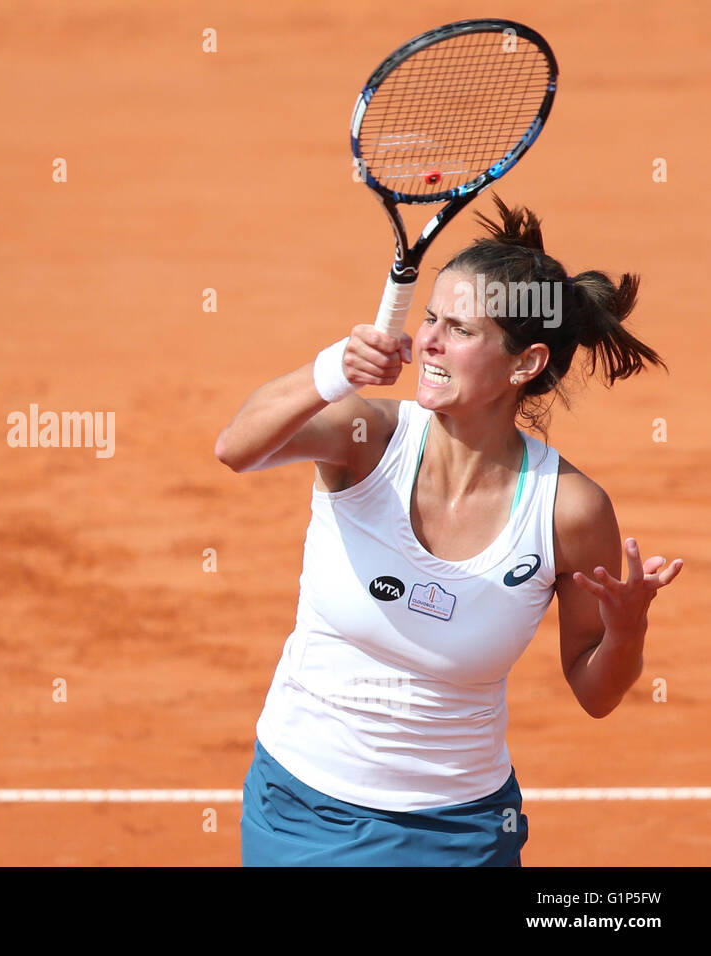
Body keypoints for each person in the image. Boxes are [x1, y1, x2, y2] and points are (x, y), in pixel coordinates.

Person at [214, 196, 683, 866]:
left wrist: (628, 630)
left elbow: (596, 691)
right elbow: (237, 446)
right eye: (430, 317)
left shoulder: (569, 510)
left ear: (524, 365)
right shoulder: (365, 436)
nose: (428, 339)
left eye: (459, 329)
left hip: (459, 834)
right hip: (301, 812)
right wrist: (332, 373)